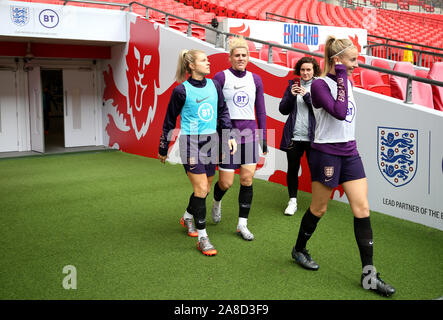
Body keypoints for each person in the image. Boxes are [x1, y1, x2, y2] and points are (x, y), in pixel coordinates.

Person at [290, 36, 396, 297]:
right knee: (319, 208)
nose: (356, 65)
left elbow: (345, 118)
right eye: (352, 60)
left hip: (350, 152)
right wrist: (338, 73)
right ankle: (299, 249)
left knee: (362, 209)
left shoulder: (346, 81)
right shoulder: (318, 86)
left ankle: (369, 274)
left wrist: (342, 75)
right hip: (325, 153)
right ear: (338, 61)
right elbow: (338, 111)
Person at [158, 49, 237, 256]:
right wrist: (163, 147)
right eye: (204, 60)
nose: (208, 63)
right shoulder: (181, 91)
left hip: (211, 141)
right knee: (201, 188)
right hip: (190, 143)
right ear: (191, 66)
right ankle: (203, 238)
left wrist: (228, 135)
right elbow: (169, 120)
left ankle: (187, 216)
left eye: (207, 60)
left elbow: (222, 111)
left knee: (206, 188)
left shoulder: (214, 85)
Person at [210, 37, 267, 241]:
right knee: (226, 183)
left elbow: (260, 110)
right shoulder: (221, 77)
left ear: (248, 58)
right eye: (237, 55)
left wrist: (264, 138)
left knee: (247, 179)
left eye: (244, 55)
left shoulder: (256, 79)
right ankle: (216, 202)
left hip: (250, 135)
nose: (241, 58)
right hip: (228, 135)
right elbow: (216, 108)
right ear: (230, 58)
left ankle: (242, 224)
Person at [279, 57, 320, 216]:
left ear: (314, 70)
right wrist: (291, 95)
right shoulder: (292, 85)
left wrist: (307, 96)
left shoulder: (319, 86)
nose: (305, 73)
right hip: (294, 137)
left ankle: (317, 202)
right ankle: (292, 201)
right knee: (292, 169)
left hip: (313, 138)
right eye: (302, 70)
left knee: (315, 171)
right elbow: (283, 110)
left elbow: (320, 111)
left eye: (308, 69)